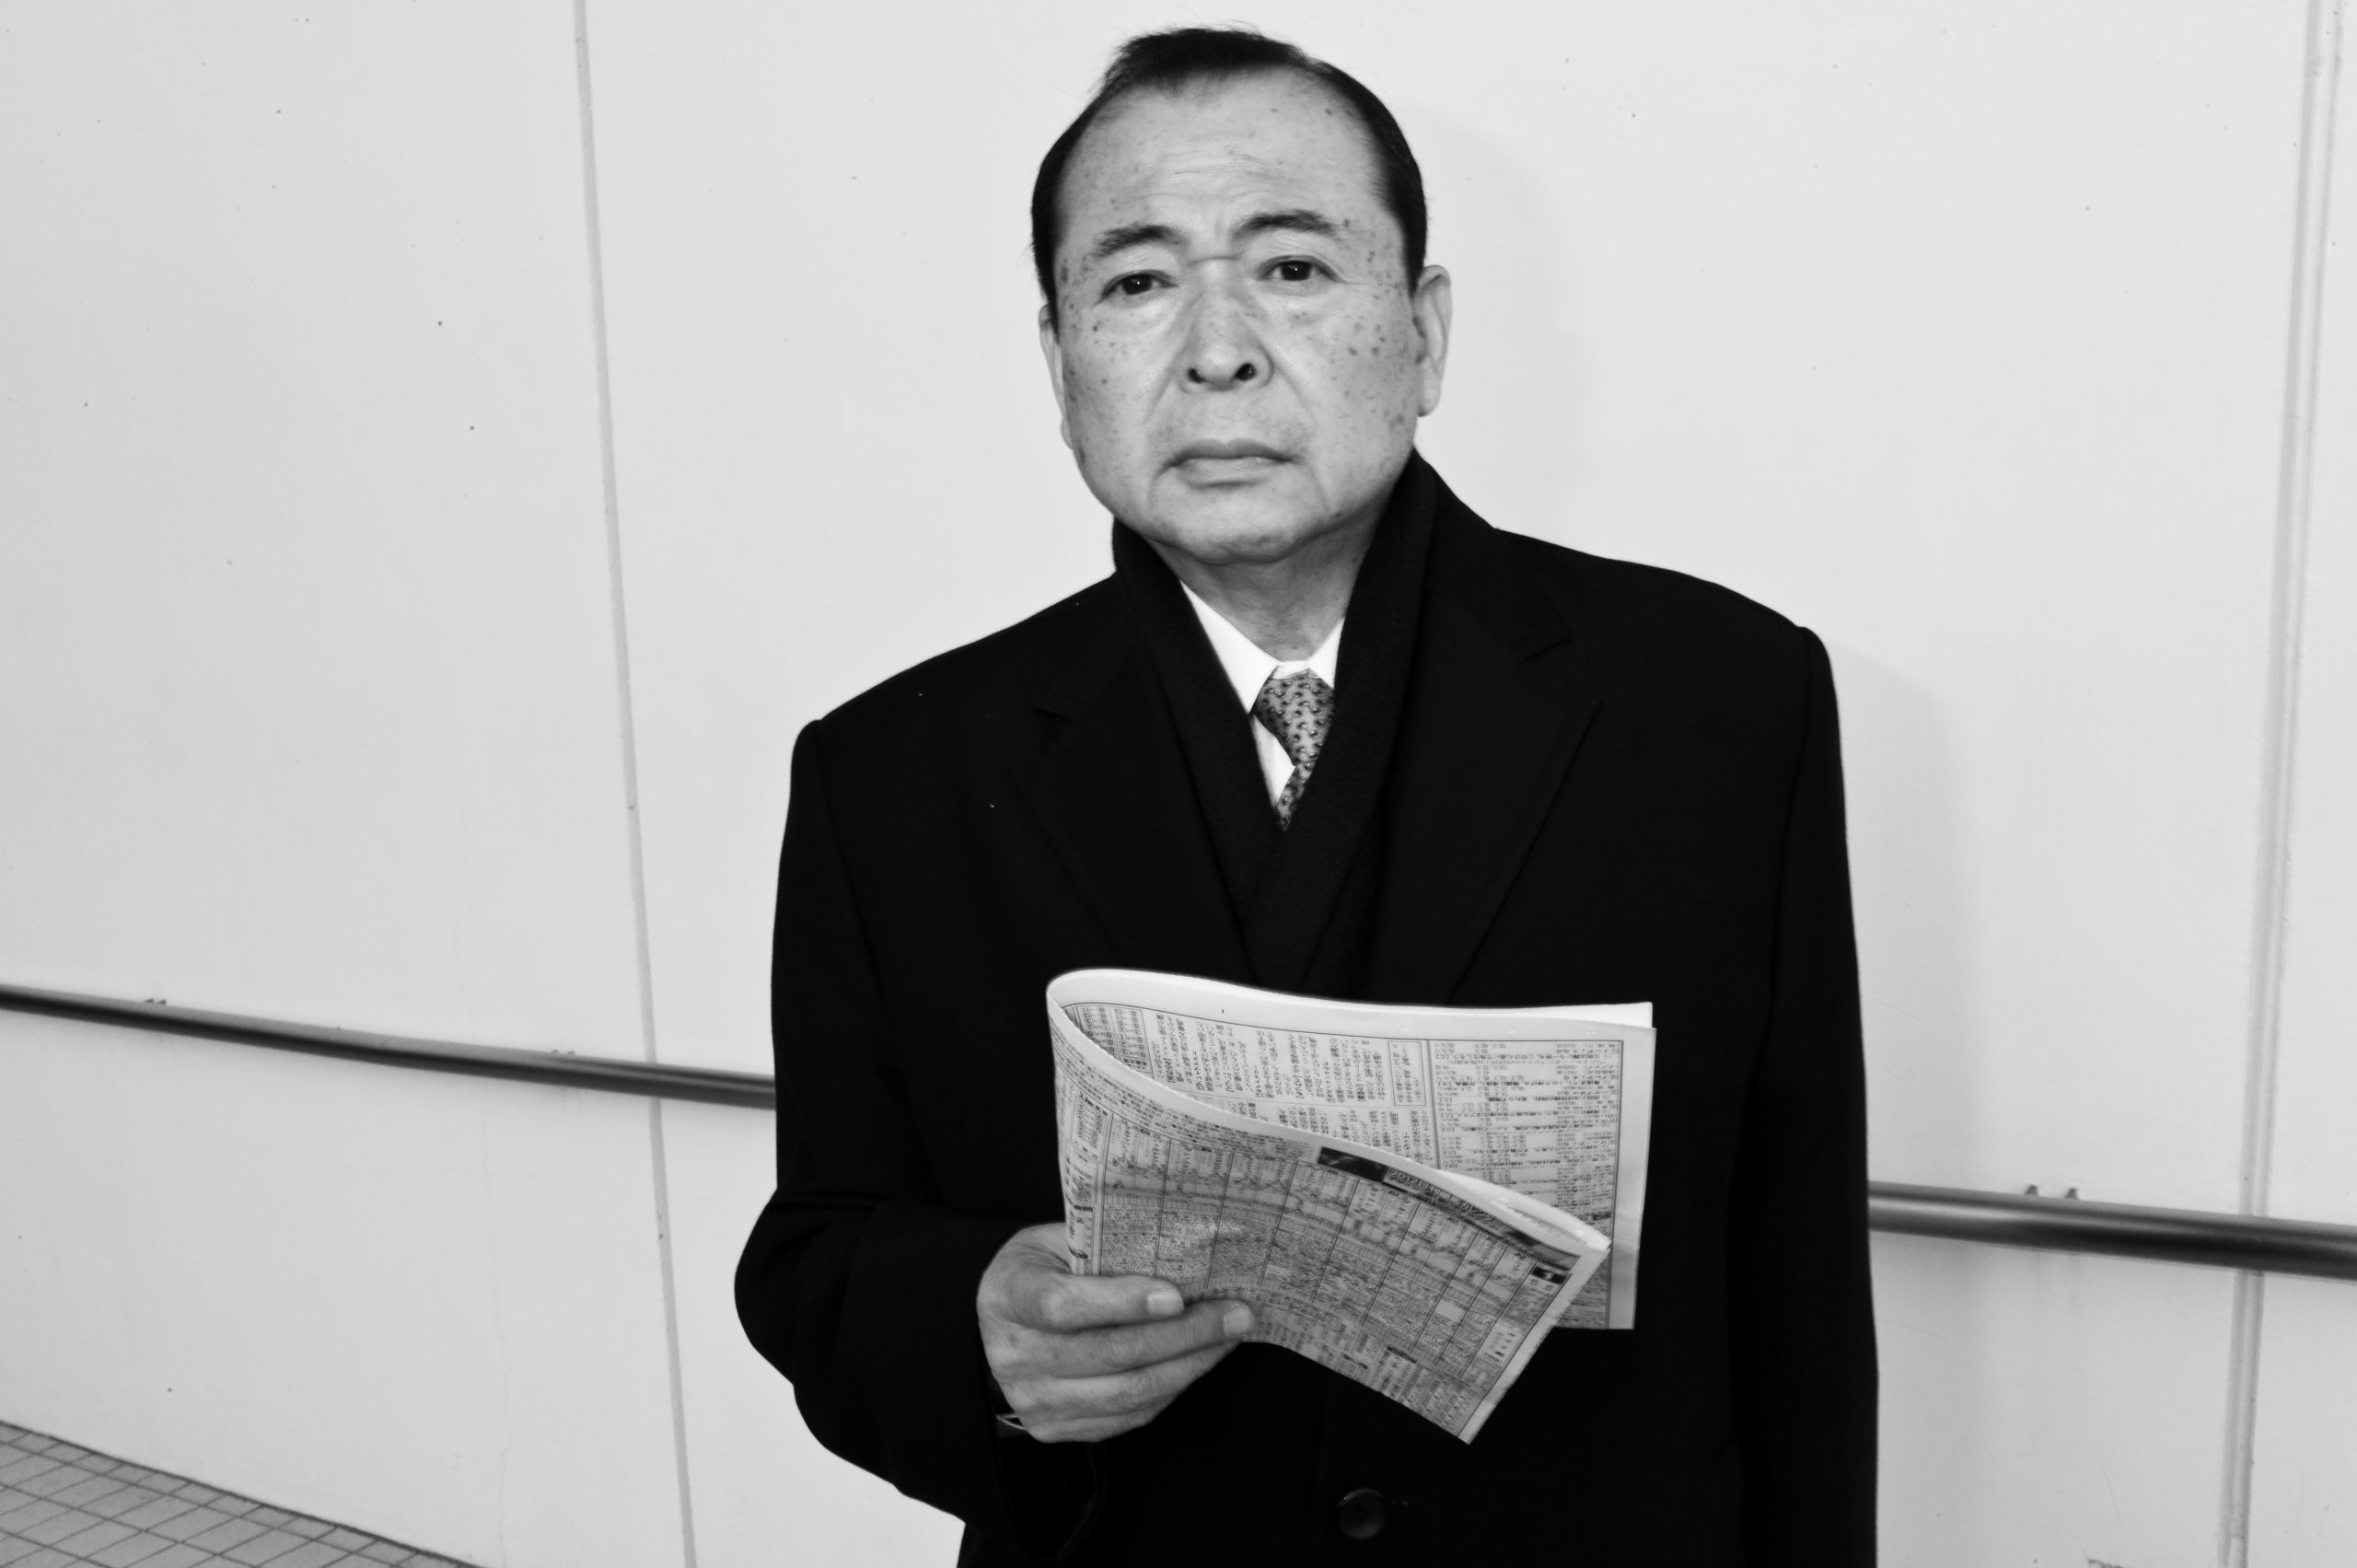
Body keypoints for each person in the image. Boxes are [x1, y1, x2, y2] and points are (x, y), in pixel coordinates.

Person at [737, 25, 1875, 1567]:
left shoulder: (1719, 704)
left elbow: (1795, 1277)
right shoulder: (894, 771)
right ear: (1061, 363)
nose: (1218, 348)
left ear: (1425, 333)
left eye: (1291, 267)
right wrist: (977, 1327)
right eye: (1138, 282)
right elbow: (819, 1249)